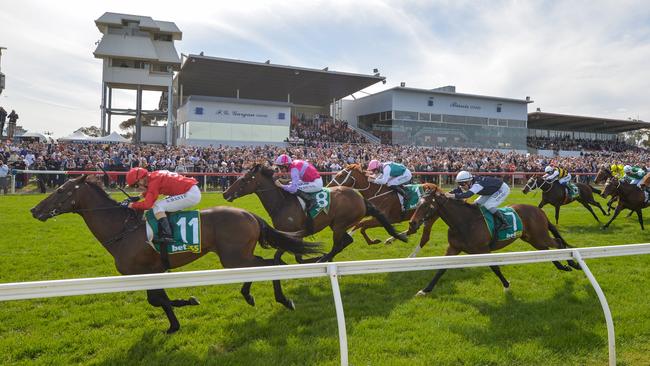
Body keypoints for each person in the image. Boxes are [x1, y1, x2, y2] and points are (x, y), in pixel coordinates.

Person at [124, 167, 201, 244]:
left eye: (136, 185)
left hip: (190, 194)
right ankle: (169, 228)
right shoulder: (153, 176)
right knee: (159, 205)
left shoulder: (153, 182)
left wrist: (131, 205)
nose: (137, 188)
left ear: (141, 179)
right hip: (189, 190)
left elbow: (147, 205)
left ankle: (168, 235)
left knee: (158, 206)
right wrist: (138, 197)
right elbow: (151, 190)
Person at [274, 153, 323, 231]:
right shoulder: (294, 165)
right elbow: (294, 181)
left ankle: (311, 201)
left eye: (280, 167)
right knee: (291, 185)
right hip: (311, 181)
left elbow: (293, 188)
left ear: (286, 165)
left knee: (294, 189)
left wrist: (281, 186)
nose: (280, 169)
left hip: (315, 183)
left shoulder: (294, 169)